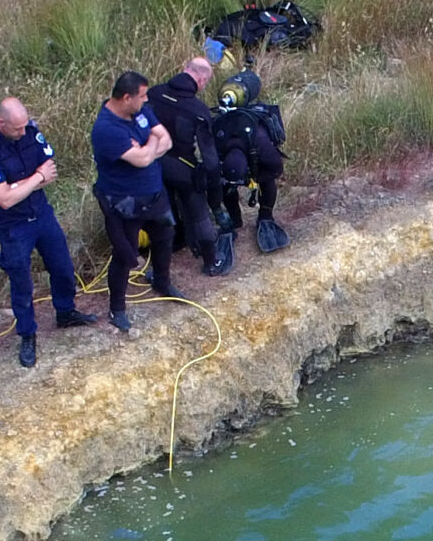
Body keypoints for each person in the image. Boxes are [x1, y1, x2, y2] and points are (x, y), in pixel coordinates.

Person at [0, 97, 96, 369]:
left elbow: (50, 168)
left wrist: (22, 186)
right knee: (21, 282)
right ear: (1, 123)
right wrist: (36, 179)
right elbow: (5, 199)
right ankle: (27, 334)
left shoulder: (30, 131)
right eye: (16, 128)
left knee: (63, 267)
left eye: (24, 126)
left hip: (42, 214)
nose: (22, 132)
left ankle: (65, 312)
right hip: (13, 225)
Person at [89, 70, 178, 335]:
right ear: (126, 98)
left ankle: (162, 282)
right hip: (124, 202)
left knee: (165, 239)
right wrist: (150, 146)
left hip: (154, 194)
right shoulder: (106, 128)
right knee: (125, 256)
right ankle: (117, 308)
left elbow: (166, 141)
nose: (146, 99)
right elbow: (141, 159)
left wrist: (146, 148)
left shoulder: (140, 112)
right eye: (142, 96)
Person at [148, 57, 232, 277]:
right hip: (181, 167)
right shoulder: (197, 109)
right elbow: (211, 161)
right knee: (198, 211)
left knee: (163, 211)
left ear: (185, 70)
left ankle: (169, 253)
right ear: (202, 80)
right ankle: (212, 261)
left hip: (152, 164)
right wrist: (215, 201)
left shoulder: (154, 93)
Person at [212, 75, 288, 252]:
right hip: (233, 153)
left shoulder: (259, 142)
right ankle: (235, 219)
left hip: (256, 158)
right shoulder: (218, 144)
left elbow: (276, 168)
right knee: (226, 186)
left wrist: (256, 179)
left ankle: (266, 216)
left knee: (267, 183)